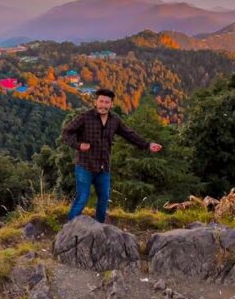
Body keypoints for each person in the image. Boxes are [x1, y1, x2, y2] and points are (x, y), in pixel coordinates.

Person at [62, 88, 162, 223]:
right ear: (96, 102)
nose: (103, 105)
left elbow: (129, 134)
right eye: (101, 101)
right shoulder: (84, 117)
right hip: (85, 165)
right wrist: (78, 145)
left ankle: (99, 227)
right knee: (82, 198)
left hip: (103, 167)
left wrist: (147, 145)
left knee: (103, 199)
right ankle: (69, 229)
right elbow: (67, 132)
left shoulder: (114, 120)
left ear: (111, 104)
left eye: (107, 102)